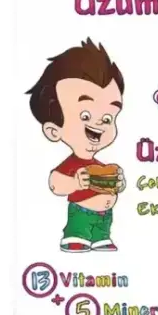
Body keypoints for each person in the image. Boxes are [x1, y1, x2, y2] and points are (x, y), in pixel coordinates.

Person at [27, 38, 126, 252]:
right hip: (82, 212)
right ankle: (75, 236)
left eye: (108, 118)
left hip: (104, 217)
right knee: (79, 230)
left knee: (101, 236)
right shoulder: (72, 165)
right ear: (54, 130)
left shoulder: (99, 166)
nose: (100, 123)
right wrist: (75, 182)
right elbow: (55, 183)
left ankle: (101, 237)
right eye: (85, 115)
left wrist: (117, 183)